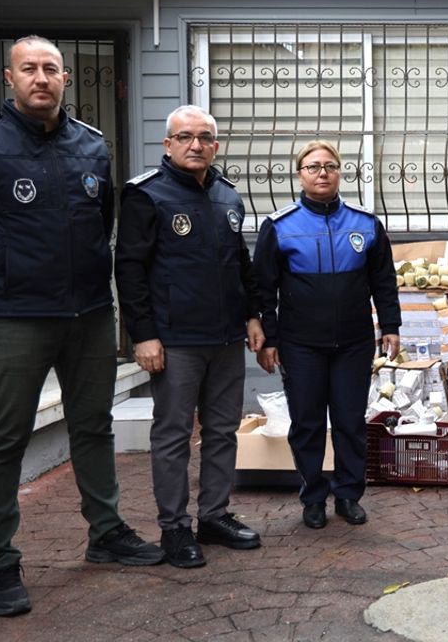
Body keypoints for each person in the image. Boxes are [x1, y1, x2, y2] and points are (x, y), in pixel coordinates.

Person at [0, 36, 162, 617]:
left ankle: (106, 531)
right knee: (3, 439)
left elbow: (100, 224)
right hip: (13, 320)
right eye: (29, 69)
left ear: (65, 78)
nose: (41, 78)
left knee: (93, 426)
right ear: (9, 78)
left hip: (89, 315)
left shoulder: (91, 146)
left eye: (51, 69)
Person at [115, 105, 265, 569]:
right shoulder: (146, 195)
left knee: (222, 430)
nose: (195, 145)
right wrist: (143, 335)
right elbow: (130, 270)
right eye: (185, 137)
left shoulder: (227, 196)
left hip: (225, 338)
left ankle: (214, 516)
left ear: (215, 146)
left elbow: (240, 263)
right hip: (175, 340)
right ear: (168, 144)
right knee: (173, 435)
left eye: (204, 137)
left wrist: (253, 315)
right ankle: (175, 527)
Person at [253, 141, 401, 529]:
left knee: (350, 422)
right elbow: (263, 289)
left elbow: (384, 281)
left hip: (354, 343)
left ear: (340, 172)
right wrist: (270, 339)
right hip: (300, 345)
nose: (323, 173)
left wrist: (391, 326)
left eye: (330, 166)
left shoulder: (365, 224)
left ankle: (349, 495)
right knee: (308, 423)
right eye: (313, 166)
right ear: (300, 174)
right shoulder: (279, 226)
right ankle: (313, 497)